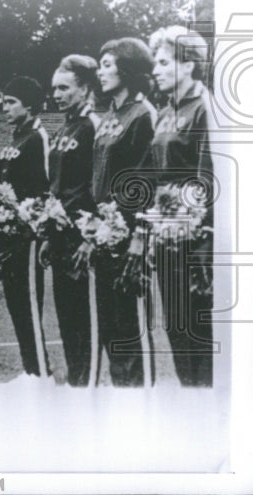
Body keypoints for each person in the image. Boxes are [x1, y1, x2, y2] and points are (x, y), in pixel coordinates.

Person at [87, 37, 157, 386]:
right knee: (110, 325)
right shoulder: (109, 116)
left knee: (130, 326)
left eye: (108, 65)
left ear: (128, 69)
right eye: (100, 65)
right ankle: (120, 396)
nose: (100, 72)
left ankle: (137, 403)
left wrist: (136, 235)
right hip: (102, 235)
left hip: (129, 239)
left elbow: (146, 183)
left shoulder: (144, 116)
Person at [148, 26, 215, 386]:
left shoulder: (207, 109)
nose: (155, 70)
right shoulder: (164, 112)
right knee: (175, 324)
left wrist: (203, 236)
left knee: (199, 329)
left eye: (162, 62)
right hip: (166, 236)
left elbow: (209, 177)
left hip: (196, 238)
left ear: (188, 65)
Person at [43, 54, 101, 387]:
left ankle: (86, 382)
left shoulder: (93, 126)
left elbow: (97, 185)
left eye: (64, 87)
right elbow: (57, 186)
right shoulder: (64, 126)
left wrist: (89, 236)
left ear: (85, 88)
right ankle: (76, 377)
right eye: (54, 88)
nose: (57, 94)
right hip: (61, 235)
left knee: (85, 316)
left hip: (82, 238)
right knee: (66, 313)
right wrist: (51, 233)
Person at [0, 76, 51, 381]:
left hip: (27, 236)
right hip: (9, 235)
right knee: (16, 304)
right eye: (3, 101)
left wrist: (35, 229)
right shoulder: (16, 137)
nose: (5, 107)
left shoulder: (38, 137)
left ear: (29, 104)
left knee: (28, 305)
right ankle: (31, 371)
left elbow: (45, 187)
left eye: (11, 101)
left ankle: (41, 373)